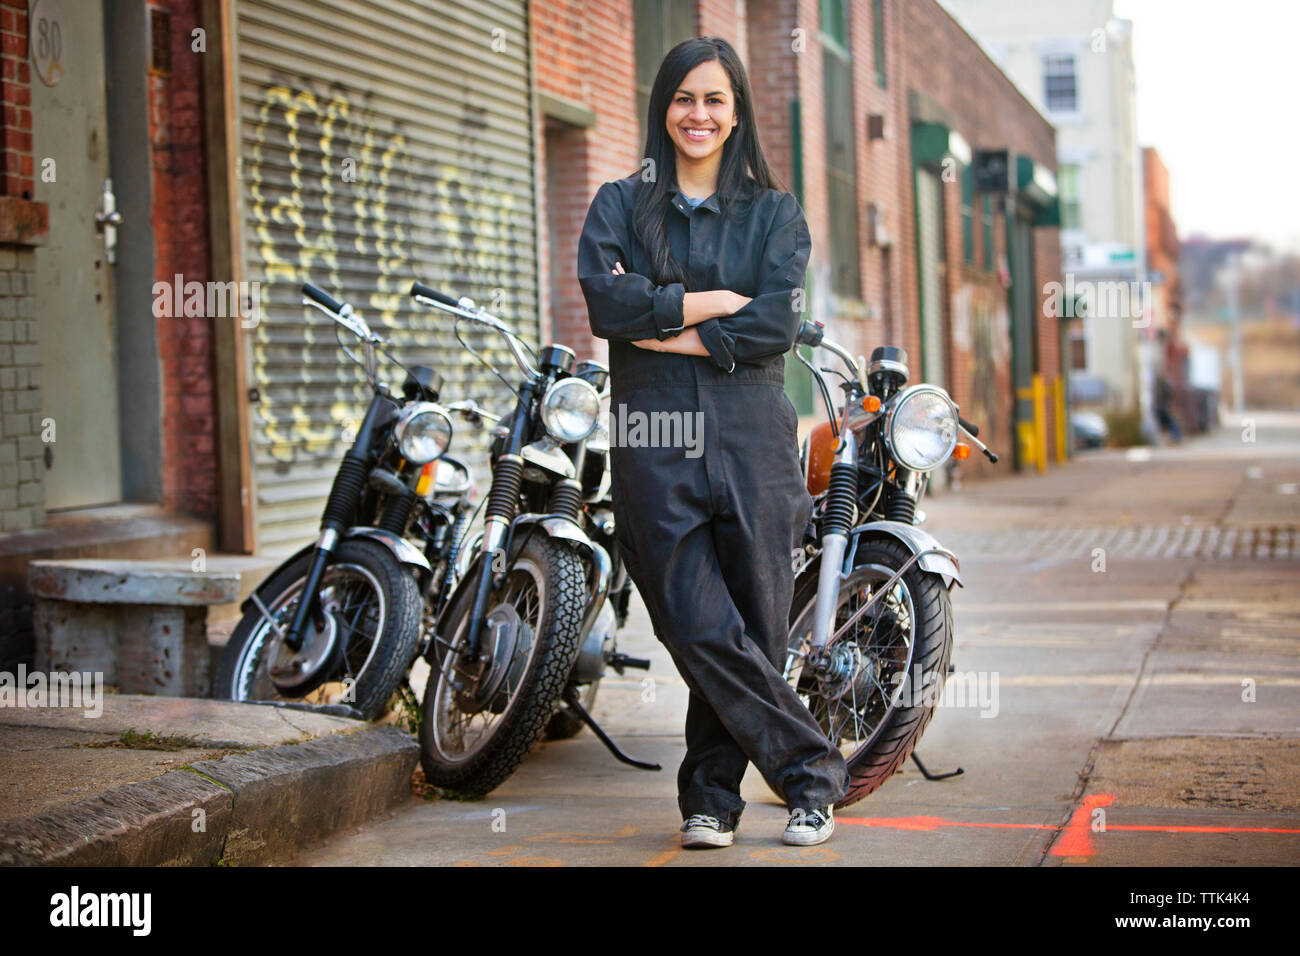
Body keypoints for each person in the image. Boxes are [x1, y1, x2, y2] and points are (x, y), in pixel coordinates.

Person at [576, 36, 849, 849]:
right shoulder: (621, 203)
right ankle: (811, 772)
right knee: (696, 622)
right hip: (652, 437)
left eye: (715, 100)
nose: (698, 114)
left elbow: (776, 323)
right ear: (663, 106)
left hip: (752, 436)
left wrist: (668, 323)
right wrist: (709, 302)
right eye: (685, 98)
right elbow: (604, 304)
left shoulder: (775, 212)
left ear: (736, 113)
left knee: (757, 624)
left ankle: (711, 802)